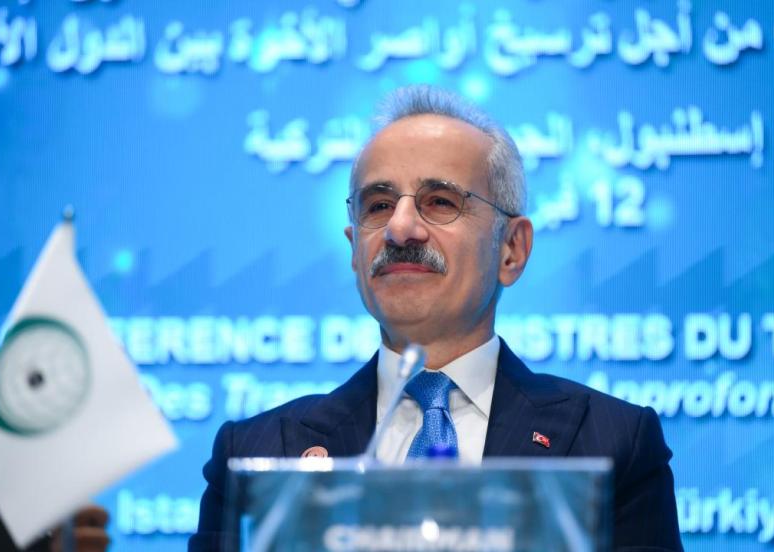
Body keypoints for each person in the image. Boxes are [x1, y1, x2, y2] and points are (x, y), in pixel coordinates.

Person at [190, 85, 682, 551]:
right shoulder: (257, 451)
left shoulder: (613, 442)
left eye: (440, 202)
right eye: (379, 205)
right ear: (355, 252)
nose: (400, 228)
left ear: (512, 249)